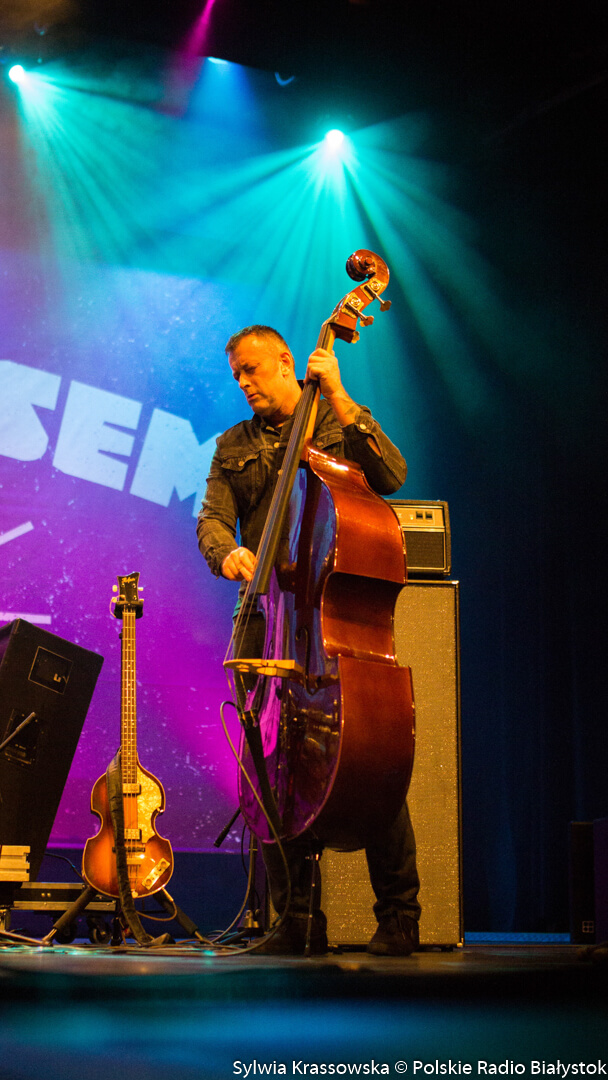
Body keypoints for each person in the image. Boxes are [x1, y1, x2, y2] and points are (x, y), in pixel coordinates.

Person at [197, 325, 420, 956]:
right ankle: (295, 919)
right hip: (267, 616)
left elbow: (392, 474)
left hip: (331, 625)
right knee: (272, 765)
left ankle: (399, 915)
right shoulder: (232, 446)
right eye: (237, 375)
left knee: (369, 757)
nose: (244, 383)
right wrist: (227, 551)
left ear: (286, 361)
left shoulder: (335, 422)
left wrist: (342, 397)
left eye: (252, 370)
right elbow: (211, 518)